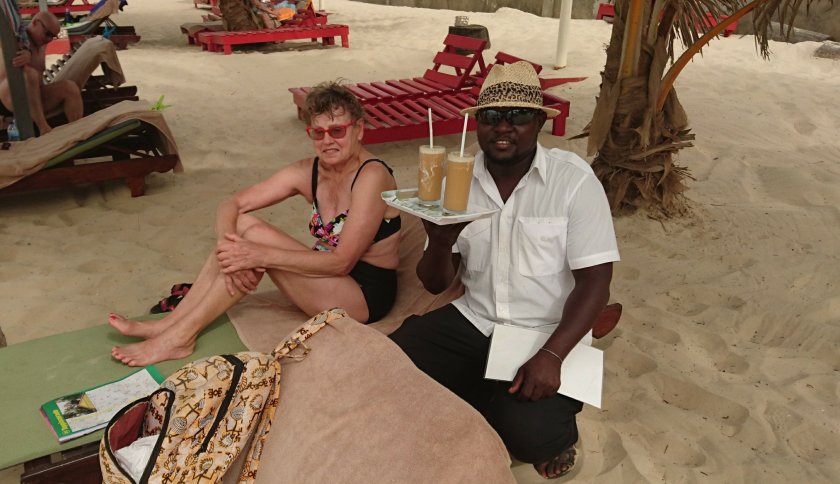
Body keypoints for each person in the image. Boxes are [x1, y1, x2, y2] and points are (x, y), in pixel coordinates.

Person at [389, 62, 620, 480]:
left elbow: (596, 281)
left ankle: (550, 423)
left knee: (531, 438)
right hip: (476, 318)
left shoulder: (573, 181)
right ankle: (490, 394)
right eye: (492, 115)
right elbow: (436, 283)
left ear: (539, 122)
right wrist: (439, 242)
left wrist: (551, 356)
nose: (503, 126)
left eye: (518, 115)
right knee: (393, 360)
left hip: (544, 331)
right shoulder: (456, 179)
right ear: (477, 123)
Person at [110, 81, 401, 366]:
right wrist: (228, 247)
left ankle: (180, 337)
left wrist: (259, 255)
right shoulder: (309, 171)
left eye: (337, 131)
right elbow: (232, 204)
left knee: (252, 244)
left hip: (362, 297)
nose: (327, 141)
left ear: (359, 129)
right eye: (318, 132)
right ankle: (170, 324)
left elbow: (342, 262)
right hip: (322, 281)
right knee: (242, 229)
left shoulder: (372, 176)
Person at [0, 11, 82, 135]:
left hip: (35, 98)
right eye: (47, 34)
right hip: (8, 100)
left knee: (70, 88)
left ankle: (79, 133)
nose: (49, 40)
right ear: (35, 23)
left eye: (53, 36)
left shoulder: (41, 44)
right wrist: (22, 55)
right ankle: (43, 127)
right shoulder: (16, 39)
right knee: (29, 74)